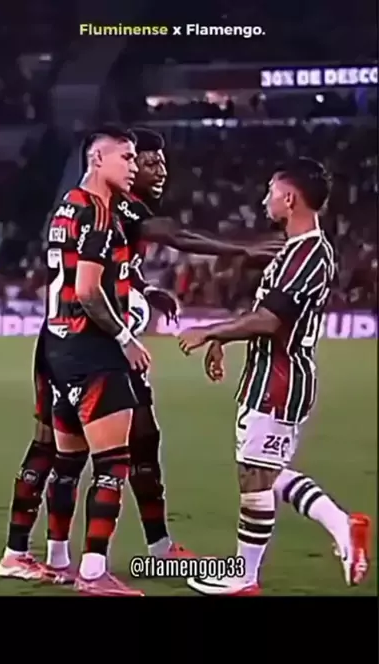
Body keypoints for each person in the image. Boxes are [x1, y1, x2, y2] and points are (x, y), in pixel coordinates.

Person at [0, 127, 285, 583]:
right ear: (107, 161)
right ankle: (83, 562)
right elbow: (172, 236)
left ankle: (65, 555)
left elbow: (106, 268)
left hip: (64, 340)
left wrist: (143, 289)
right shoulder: (112, 206)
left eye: (153, 162)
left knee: (96, 447)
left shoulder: (90, 206)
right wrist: (242, 248)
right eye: (144, 162)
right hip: (92, 343)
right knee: (102, 451)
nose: (153, 171)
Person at [178, 158, 371, 595]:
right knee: (266, 472)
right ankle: (341, 525)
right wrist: (223, 341)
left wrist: (210, 331)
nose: (265, 199)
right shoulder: (295, 250)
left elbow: (269, 320)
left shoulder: (309, 255)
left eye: (271, 191)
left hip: (279, 379)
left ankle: (245, 577)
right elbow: (266, 314)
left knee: (255, 479)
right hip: (269, 375)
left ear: (289, 198)